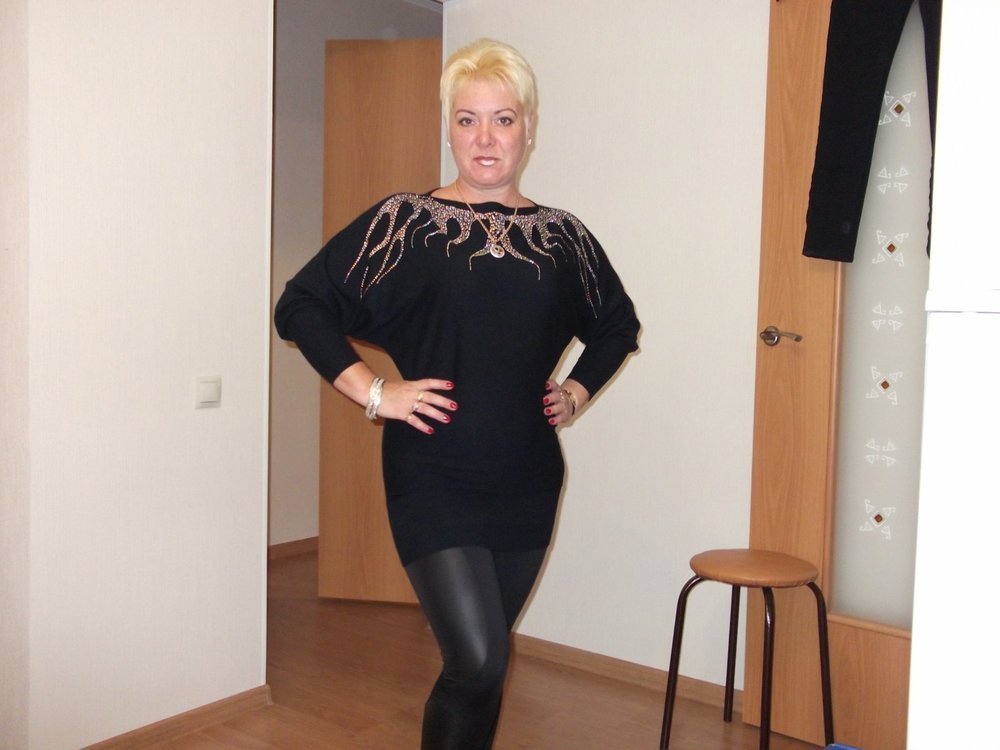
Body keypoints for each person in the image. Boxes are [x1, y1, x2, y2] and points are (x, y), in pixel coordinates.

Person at [274, 38, 640, 749]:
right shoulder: (404, 223)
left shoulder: (563, 237)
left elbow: (617, 325)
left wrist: (577, 391)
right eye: (468, 119)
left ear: (529, 129)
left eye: (503, 119)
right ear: (448, 128)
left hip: (527, 477)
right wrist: (375, 392)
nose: (485, 138)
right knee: (478, 659)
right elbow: (301, 305)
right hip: (433, 473)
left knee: (482, 669)